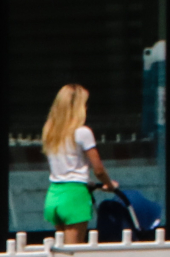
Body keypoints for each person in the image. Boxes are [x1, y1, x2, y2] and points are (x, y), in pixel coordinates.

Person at [41, 83, 116, 245]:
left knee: (61, 251)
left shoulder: (50, 130)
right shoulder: (83, 132)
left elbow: (66, 166)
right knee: (74, 253)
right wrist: (109, 185)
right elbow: (99, 169)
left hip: (54, 194)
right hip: (74, 195)